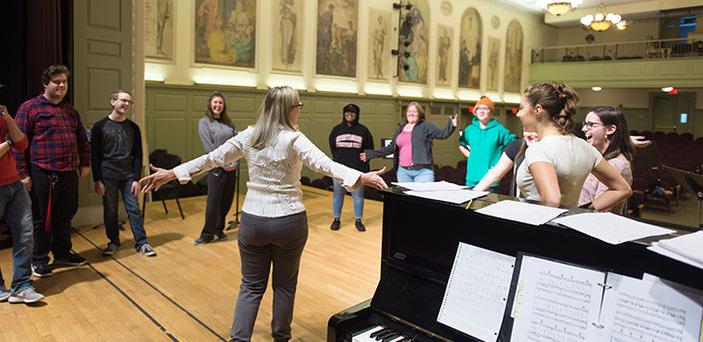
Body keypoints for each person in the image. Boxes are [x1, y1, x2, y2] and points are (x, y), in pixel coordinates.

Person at [139, 86, 388, 341]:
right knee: (284, 286)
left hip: (253, 222)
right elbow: (326, 165)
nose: (299, 111)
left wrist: (172, 173)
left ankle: (239, 339)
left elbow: (211, 158)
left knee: (250, 286)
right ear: (290, 109)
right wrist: (362, 176)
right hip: (289, 222)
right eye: (298, 107)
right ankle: (281, 337)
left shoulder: (249, 136)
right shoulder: (293, 139)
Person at [15, 65, 90, 278]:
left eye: (64, 82)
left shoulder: (70, 110)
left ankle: (63, 253)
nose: (62, 85)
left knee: (65, 215)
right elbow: (19, 143)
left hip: (68, 171)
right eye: (57, 82)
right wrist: (22, 173)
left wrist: (84, 163)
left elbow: (82, 139)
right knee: (42, 218)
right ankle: (39, 259)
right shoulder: (30, 108)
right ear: (45, 84)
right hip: (42, 172)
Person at [513, 82, 631, 209]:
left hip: (538, 224)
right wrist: (583, 211)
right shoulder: (586, 148)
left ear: (538, 110)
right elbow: (623, 189)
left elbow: (552, 201)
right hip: (566, 224)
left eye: (521, 108)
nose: (517, 114)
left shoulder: (539, 149)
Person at [91, 90, 156, 257]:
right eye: (123, 100)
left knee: (134, 209)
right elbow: (95, 155)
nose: (126, 104)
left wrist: (136, 179)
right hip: (108, 176)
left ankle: (142, 243)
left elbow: (138, 155)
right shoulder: (99, 127)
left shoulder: (133, 128)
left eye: (129, 102)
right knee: (110, 210)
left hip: (128, 176)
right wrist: (97, 180)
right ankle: (113, 242)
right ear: (113, 102)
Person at [0, 105, 44, 303]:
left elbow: (22, 143)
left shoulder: (2, 117)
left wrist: (7, 116)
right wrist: (9, 141)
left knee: (25, 233)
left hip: (14, 183)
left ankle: (21, 286)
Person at [363, 102, 457, 183]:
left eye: (414, 111)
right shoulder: (401, 129)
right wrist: (371, 154)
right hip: (403, 172)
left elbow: (442, 134)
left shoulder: (426, 126)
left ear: (420, 114)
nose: (411, 113)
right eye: (409, 111)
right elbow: (391, 148)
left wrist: (451, 125)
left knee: (422, 202)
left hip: (423, 171)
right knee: (407, 203)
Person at [194, 92, 237, 245]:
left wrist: (234, 163)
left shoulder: (229, 123)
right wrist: (224, 165)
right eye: (215, 102)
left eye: (220, 103)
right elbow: (209, 148)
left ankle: (219, 230)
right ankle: (207, 234)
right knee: (213, 203)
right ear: (210, 104)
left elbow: (236, 144)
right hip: (216, 168)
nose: (218, 105)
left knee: (226, 201)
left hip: (232, 167)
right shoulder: (204, 122)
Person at [579, 106, 635, 213]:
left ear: (610, 129)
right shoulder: (599, 156)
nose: (584, 129)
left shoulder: (615, 164)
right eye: (585, 124)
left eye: (591, 125)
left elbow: (600, 210)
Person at [328, 104, 374, 232]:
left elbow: (369, 150)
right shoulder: (336, 130)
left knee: (358, 196)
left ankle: (358, 220)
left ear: (357, 114)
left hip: (357, 170)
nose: (349, 114)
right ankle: (336, 219)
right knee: (337, 195)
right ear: (343, 114)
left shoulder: (364, 131)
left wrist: (364, 168)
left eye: (352, 113)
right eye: (347, 112)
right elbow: (333, 148)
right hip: (339, 169)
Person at [458, 96, 515, 189]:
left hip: (491, 181)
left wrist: (502, 162)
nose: (481, 111)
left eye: (485, 108)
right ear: (475, 112)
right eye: (478, 108)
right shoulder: (469, 129)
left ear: (491, 112)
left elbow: (513, 146)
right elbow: (462, 145)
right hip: (471, 179)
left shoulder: (500, 130)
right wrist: (471, 155)